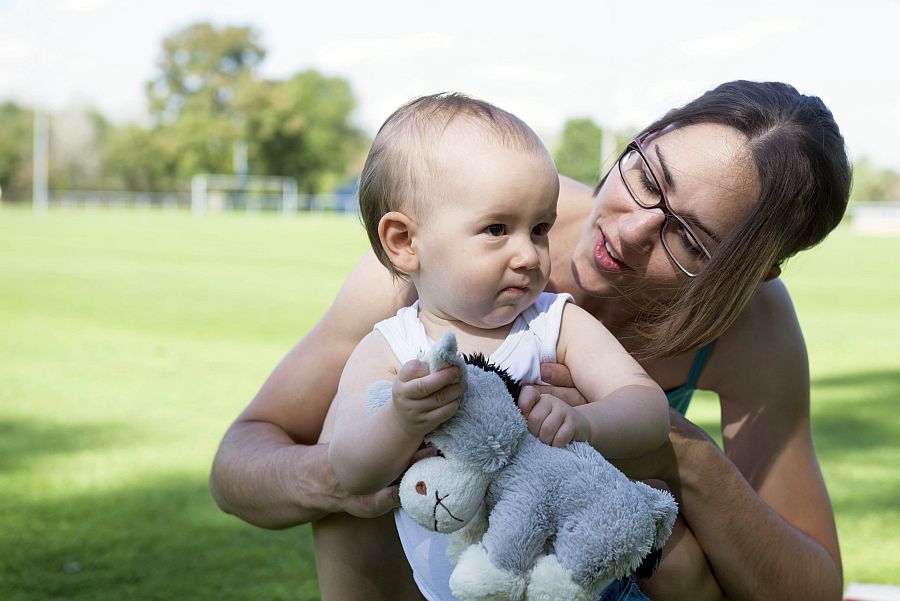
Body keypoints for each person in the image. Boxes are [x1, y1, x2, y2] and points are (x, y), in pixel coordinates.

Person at [209, 80, 851, 601]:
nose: (630, 230)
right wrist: (353, 470)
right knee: (352, 514)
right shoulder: (444, 254)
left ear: (754, 271)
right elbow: (239, 466)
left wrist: (677, 455)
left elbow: (808, 588)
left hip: (578, 566)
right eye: (649, 177)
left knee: (677, 553)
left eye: (688, 238)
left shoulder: (752, 326)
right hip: (434, 563)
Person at [326, 94, 671, 600]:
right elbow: (350, 469)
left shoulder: (554, 322)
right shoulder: (391, 349)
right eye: (496, 229)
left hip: (575, 585)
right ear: (404, 241)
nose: (529, 255)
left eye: (540, 229)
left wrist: (587, 422)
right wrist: (399, 421)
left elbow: (648, 408)